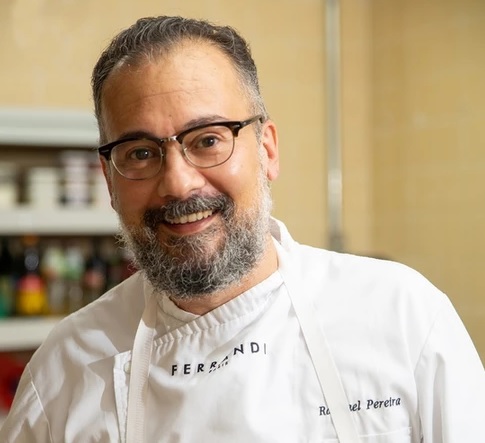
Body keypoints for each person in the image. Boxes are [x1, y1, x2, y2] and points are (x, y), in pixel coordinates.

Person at [1, 15, 484, 443]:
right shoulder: (62, 374)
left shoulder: (404, 318)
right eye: (141, 152)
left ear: (267, 150)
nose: (178, 182)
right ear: (108, 179)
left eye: (209, 139)